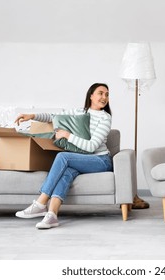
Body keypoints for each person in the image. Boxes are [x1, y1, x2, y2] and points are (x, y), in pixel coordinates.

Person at [14, 83, 114, 229]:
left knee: (63, 157)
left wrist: (67, 135)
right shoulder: (79, 112)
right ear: (91, 95)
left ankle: (41, 202)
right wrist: (32, 116)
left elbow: (92, 147)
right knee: (66, 173)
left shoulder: (105, 118)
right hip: (81, 158)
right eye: (100, 93)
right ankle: (52, 215)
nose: (104, 97)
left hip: (100, 160)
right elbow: (55, 117)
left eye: (107, 94)